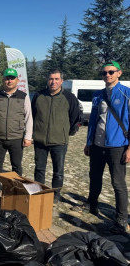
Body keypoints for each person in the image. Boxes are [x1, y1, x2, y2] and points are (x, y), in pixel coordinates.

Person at [77, 61, 130, 234]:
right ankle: (92, 205)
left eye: (111, 72)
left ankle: (121, 219)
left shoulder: (126, 93)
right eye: (104, 73)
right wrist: (88, 142)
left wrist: (129, 148)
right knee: (94, 177)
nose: (107, 75)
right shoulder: (97, 95)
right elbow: (93, 120)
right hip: (97, 145)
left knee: (118, 183)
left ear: (119, 73)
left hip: (117, 146)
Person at [31, 69, 80, 204]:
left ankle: (56, 194)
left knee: (58, 171)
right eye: (51, 79)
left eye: (56, 79)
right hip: (40, 139)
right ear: (47, 80)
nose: (53, 82)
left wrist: (66, 132)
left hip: (59, 141)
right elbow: (33, 114)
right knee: (39, 169)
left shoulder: (69, 97)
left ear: (61, 81)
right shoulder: (38, 95)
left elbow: (74, 117)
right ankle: (38, 192)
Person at [0, 68, 33, 176]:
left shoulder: (23, 97)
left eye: (12, 78)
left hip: (16, 138)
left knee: (16, 166)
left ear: (17, 81)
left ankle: (16, 190)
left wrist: (28, 137)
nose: (10, 81)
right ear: (3, 80)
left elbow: (29, 117)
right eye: (7, 78)